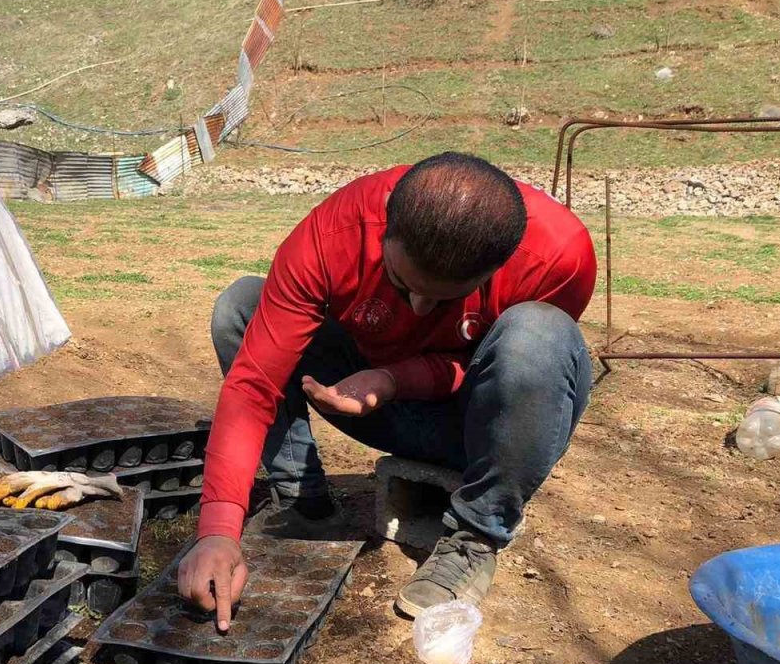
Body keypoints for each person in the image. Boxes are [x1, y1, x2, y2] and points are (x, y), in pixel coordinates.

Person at [176, 152, 596, 628]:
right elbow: (254, 385)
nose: (418, 309)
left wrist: (397, 378)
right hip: (373, 409)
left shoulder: (559, 255)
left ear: (502, 262)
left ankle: (476, 538)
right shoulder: (335, 232)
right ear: (384, 229)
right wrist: (216, 530)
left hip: (484, 425)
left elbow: (522, 380)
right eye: (400, 283)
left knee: (539, 334)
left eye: (445, 298)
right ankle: (300, 498)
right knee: (242, 305)